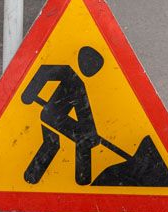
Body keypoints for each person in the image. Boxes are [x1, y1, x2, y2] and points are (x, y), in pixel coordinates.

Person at [20, 46, 106, 186]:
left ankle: (31, 178)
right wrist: (28, 94)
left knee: (52, 144)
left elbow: (84, 114)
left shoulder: (79, 85)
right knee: (81, 140)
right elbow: (44, 72)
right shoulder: (68, 73)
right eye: (93, 66)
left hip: (52, 116)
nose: (94, 71)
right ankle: (83, 179)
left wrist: (92, 132)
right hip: (53, 116)